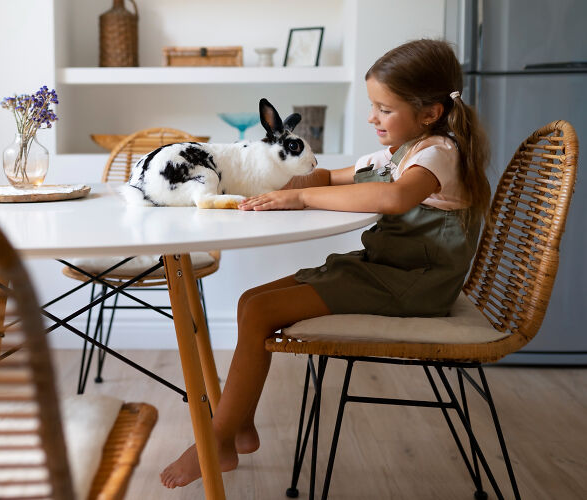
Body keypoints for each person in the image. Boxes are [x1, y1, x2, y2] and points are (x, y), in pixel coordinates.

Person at [160, 38, 490, 489]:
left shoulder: (437, 153)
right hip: (386, 270)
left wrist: (299, 196)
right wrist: (262, 176)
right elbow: (332, 176)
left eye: (383, 109)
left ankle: (216, 439)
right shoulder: (403, 151)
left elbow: (394, 198)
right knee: (252, 300)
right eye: (372, 106)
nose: (372, 117)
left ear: (429, 113)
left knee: (259, 311)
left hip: (414, 284)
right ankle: (240, 425)